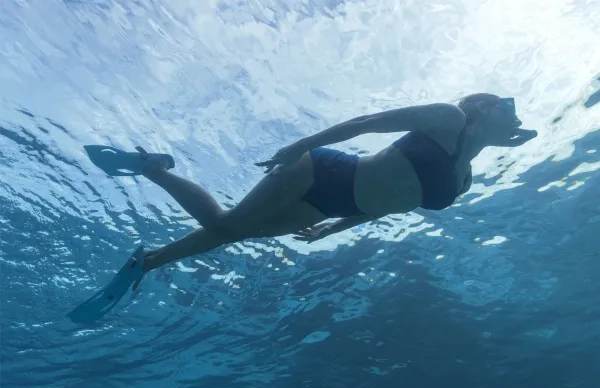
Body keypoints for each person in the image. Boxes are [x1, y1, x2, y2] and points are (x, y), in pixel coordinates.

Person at [138, 93, 536, 275]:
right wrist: (299, 146)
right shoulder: (449, 118)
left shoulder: (463, 181)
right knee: (226, 225)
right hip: (322, 170)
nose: (516, 114)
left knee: (231, 232)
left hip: (332, 207)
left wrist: (333, 228)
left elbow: (391, 203)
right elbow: (366, 123)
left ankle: (149, 261)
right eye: (509, 104)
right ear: (482, 107)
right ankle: (156, 171)